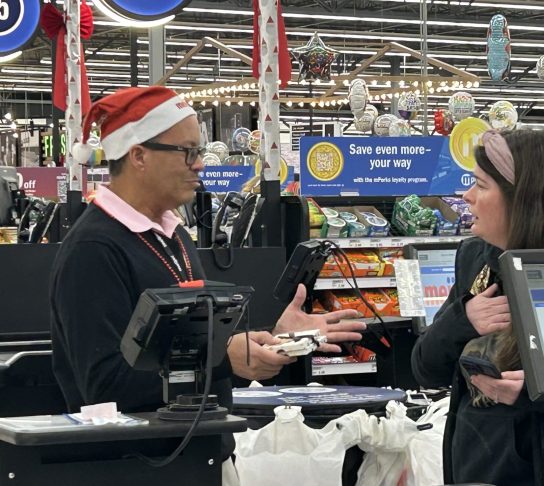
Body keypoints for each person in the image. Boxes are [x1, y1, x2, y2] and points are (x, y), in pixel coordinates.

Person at [50, 86, 366, 463]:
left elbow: (183, 344)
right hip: (134, 469)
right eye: (188, 151)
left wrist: (274, 338)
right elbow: (104, 388)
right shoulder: (95, 250)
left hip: (197, 459)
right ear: (138, 156)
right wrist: (223, 359)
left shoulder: (172, 235)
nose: (199, 164)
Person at [410, 129, 544, 485]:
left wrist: (538, 394)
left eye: (481, 185)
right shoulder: (476, 257)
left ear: (522, 198)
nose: (466, 196)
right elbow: (425, 369)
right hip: (475, 467)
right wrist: (462, 320)